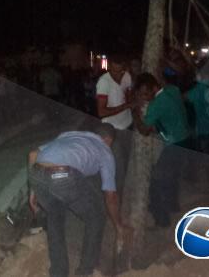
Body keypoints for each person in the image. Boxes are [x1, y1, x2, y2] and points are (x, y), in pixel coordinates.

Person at [27, 123, 129, 277]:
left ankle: (58, 273)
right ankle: (85, 272)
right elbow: (111, 196)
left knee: (55, 217)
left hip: (36, 175)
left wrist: (33, 191)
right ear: (108, 140)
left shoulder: (68, 136)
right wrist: (118, 225)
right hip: (63, 175)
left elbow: (32, 155)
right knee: (96, 217)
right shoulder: (104, 150)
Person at [133, 72, 189, 227]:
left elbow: (144, 130)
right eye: (141, 95)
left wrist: (135, 114)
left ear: (154, 88)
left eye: (146, 93)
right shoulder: (172, 90)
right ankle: (172, 205)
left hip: (174, 144)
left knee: (156, 181)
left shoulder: (156, 104)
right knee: (172, 175)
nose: (145, 98)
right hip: (184, 139)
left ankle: (161, 219)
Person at [95, 56, 133, 193]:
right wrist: (126, 106)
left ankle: (122, 191)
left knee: (127, 160)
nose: (118, 74)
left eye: (120, 71)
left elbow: (128, 95)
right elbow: (101, 112)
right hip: (112, 129)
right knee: (118, 166)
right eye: (115, 71)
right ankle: (117, 194)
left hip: (127, 125)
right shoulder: (103, 82)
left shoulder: (127, 76)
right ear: (109, 66)